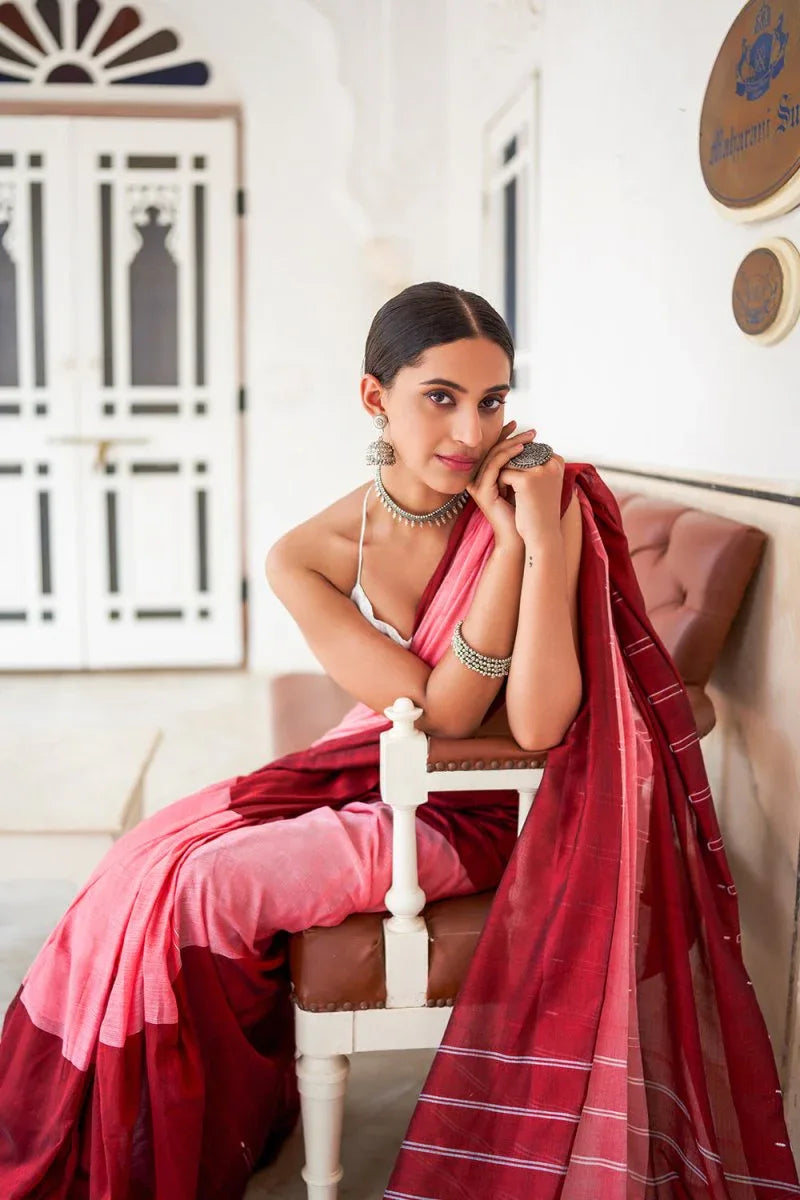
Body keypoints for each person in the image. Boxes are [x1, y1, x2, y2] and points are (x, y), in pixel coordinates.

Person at [0, 282, 795, 1200]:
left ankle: (187, 1132)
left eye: (491, 400)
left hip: (497, 810)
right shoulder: (308, 554)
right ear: (374, 397)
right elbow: (434, 708)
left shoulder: (551, 498)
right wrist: (508, 553)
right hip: (389, 771)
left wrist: (531, 539)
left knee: (206, 884)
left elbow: (535, 725)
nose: (469, 431)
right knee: (145, 865)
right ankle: (181, 1118)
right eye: (440, 397)